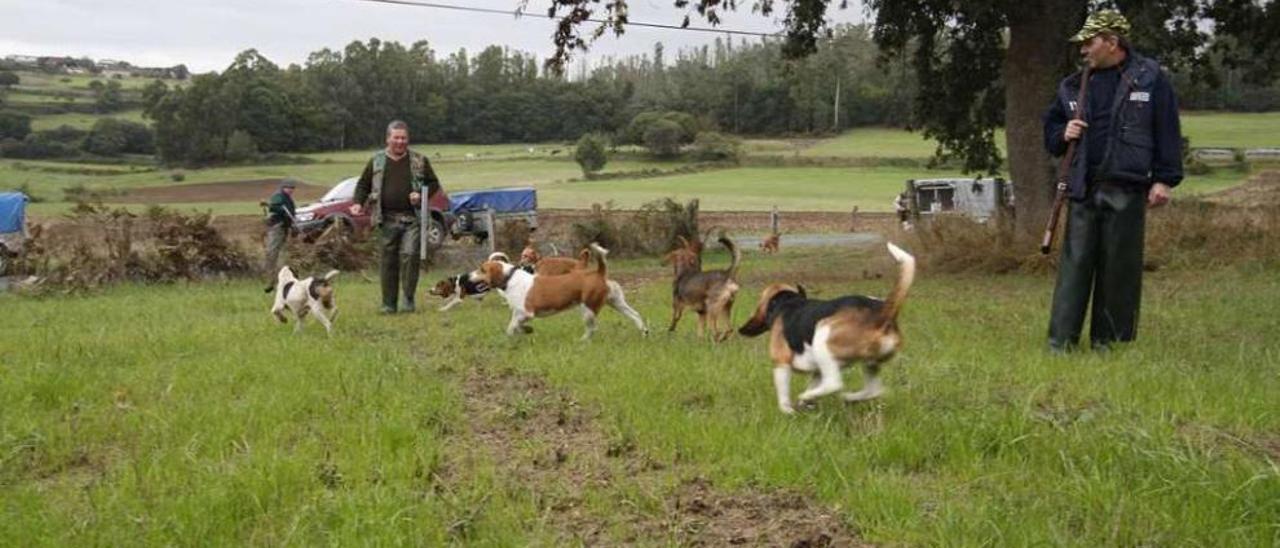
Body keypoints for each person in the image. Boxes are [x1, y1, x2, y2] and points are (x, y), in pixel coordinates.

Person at [1042, 10, 1182, 352]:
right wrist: (1064, 132)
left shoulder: (1150, 78)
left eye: (1090, 42)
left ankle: (1112, 343)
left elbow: (1167, 130)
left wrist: (1164, 180)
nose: (1083, 50)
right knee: (1074, 267)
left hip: (1128, 186)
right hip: (1082, 187)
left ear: (1112, 42)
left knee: (1120, 267)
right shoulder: (1072, 85)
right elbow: (1050, 133)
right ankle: (1061, 343)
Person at [351, 120, 441, 314]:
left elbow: (434, 184)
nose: (400, 142)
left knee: (410, 255)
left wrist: (421, 193)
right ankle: (388, 304)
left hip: (412, 219)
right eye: (396, 138)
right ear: (388, 139)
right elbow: (363, 185)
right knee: (388, 261)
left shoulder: (419, 160)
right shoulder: (376, 161)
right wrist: (358, 203)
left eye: (404, 138)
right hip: (386, 219)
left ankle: (408, 299)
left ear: (408, 139)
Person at [263, 179, 297, 282]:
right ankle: (269, 271)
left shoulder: (288, 198)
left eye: (292, 188)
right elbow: (273, 207)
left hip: (285, 227)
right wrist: (282, 210)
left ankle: (281, 271)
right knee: (273, 250)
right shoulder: (278, 196)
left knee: (283, 250)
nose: (290, 190)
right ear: (283, 188)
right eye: (288, 187)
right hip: (277, 226)